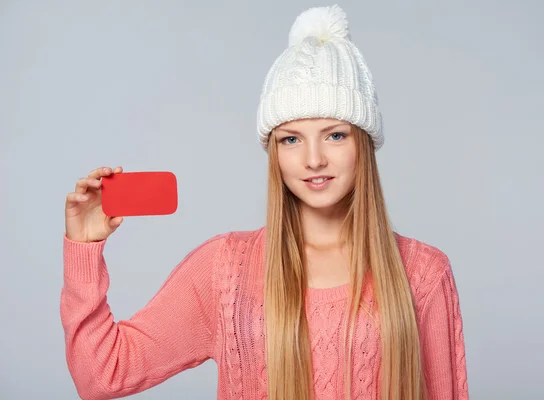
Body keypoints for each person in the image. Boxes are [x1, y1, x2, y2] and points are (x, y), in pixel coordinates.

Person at [60, 4, 468, 400]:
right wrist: (83, 248)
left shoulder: (423, 273)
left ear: (363, 143)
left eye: (335, 135)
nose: (313, 159)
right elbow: (101, 376)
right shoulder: (225, 270)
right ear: (274, 152)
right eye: (291, 139)